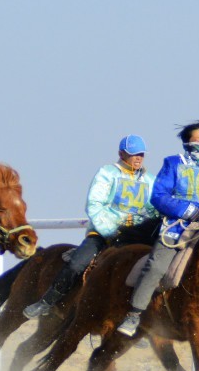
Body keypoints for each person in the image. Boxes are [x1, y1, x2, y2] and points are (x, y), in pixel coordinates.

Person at [116, 122, 199, 336]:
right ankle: (134, 314)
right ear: (187, 142)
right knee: (156, 266)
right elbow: (158, 196)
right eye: (198, 140)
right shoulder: (173, 163)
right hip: (178, 224)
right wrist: (186, 210)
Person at [24, 134, 162, 318]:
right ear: (121, 154)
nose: (138, 158)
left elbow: (154, 210)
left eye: (141, 154)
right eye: (133, 154)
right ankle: (47, 301)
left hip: (136, 236)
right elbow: (94, 204)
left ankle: (140, 320)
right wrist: (112, 229)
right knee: (76, 264)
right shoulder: (107, 173)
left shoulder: (151, 181)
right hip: (104, 234)